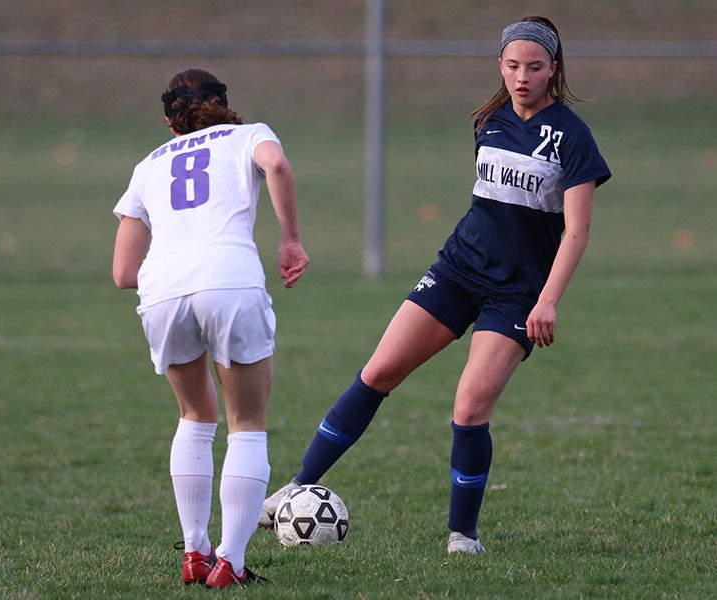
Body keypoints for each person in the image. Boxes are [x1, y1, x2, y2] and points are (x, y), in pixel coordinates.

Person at [259, 16, 611, 554]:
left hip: (516, 294)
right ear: (500, 65)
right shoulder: (488, 120)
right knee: (378, 371)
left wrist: (547, 300)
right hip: (456, 270)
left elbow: (578, 230)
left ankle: (462, 537)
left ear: (553, 69)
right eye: (513, 66)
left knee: (469, 410)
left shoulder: (571, 137)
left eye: (535, 67)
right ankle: (299, 483)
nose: (522, 77)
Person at [112, 68, 309, 586]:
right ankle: (231, 563)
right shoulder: (251, 134)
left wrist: (175, 282)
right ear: (224, 105)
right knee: (247, 422)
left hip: (162, 289)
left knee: (196, 416)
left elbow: (122, 274)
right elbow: (278, 166)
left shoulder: (148, 165)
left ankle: (195, 551)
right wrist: (290, 240)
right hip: (230, 277)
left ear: (169, 122)